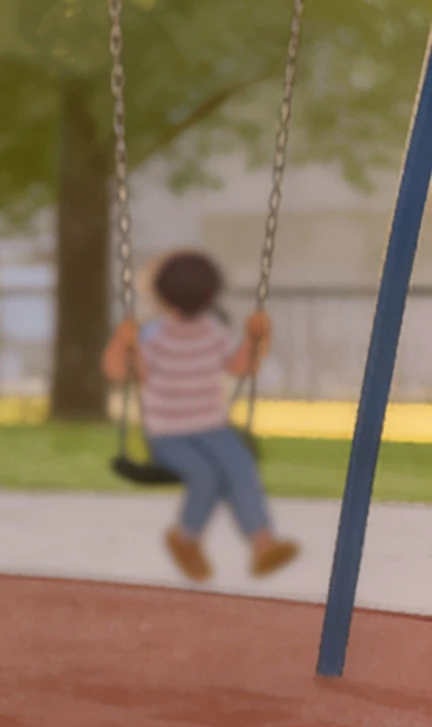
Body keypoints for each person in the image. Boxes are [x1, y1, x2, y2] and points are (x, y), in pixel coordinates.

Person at [103, 249, 296, 581]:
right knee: (206, 474)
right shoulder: (152, 336)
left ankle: (263, 544)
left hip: (212, 426)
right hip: (169, 433)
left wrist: (256, 340)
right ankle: (186, 538)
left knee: (240, 465)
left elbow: (239, 366)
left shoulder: (213, 331)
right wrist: (123, 343)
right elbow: (121, 372)